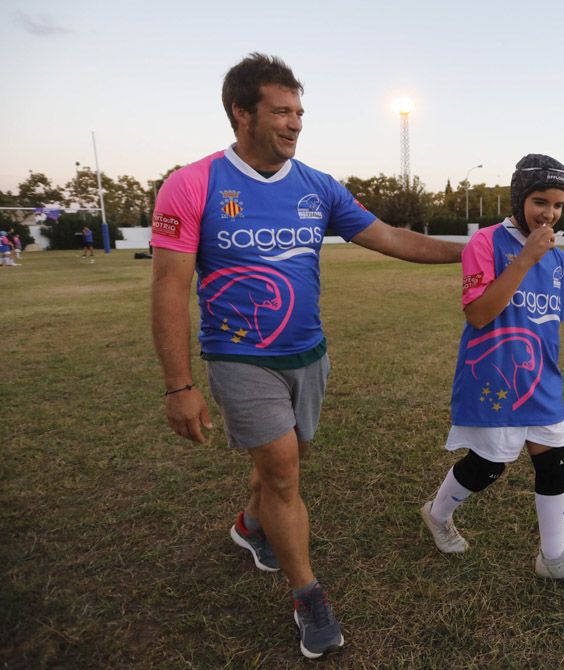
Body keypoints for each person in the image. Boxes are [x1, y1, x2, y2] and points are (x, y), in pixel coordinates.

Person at [150, 53, 464, 659]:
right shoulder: (194, 184)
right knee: (286, 473)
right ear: (241, 112)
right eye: (281, 111)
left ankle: (250, 527)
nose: (295, 124)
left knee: (282, 465)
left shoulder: (317, 186)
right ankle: (308, 596)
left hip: (309, 354)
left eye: (299, 112)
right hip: (239, 356)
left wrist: (474, 253)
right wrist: (178, 384)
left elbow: (392, 238)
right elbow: (169, 288)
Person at [419, 154, 564, 594]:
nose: (549, 213)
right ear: (519, 196)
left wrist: (551, 373)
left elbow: (548, 326)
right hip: (495, 380)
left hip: (541, 380)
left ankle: (554, 558)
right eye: (540, 200)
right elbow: (480, 314)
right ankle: (437, 514)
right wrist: (523, 259)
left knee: (557, 462)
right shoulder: (485, 243)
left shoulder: (559, 262)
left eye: (558, 205)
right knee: (489, 465)